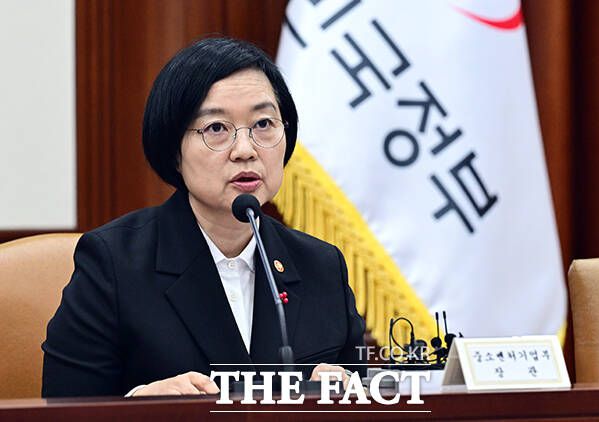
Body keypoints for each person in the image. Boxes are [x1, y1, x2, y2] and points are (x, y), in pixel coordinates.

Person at [41, 37, 366, 397]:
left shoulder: (322, 266)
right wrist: (137, 406)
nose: (245, 150)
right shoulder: (114, 264)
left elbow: (368, 398)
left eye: (263, 124)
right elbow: (62, 408)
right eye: (216, 129)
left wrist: (346, 396)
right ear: (174, 151)